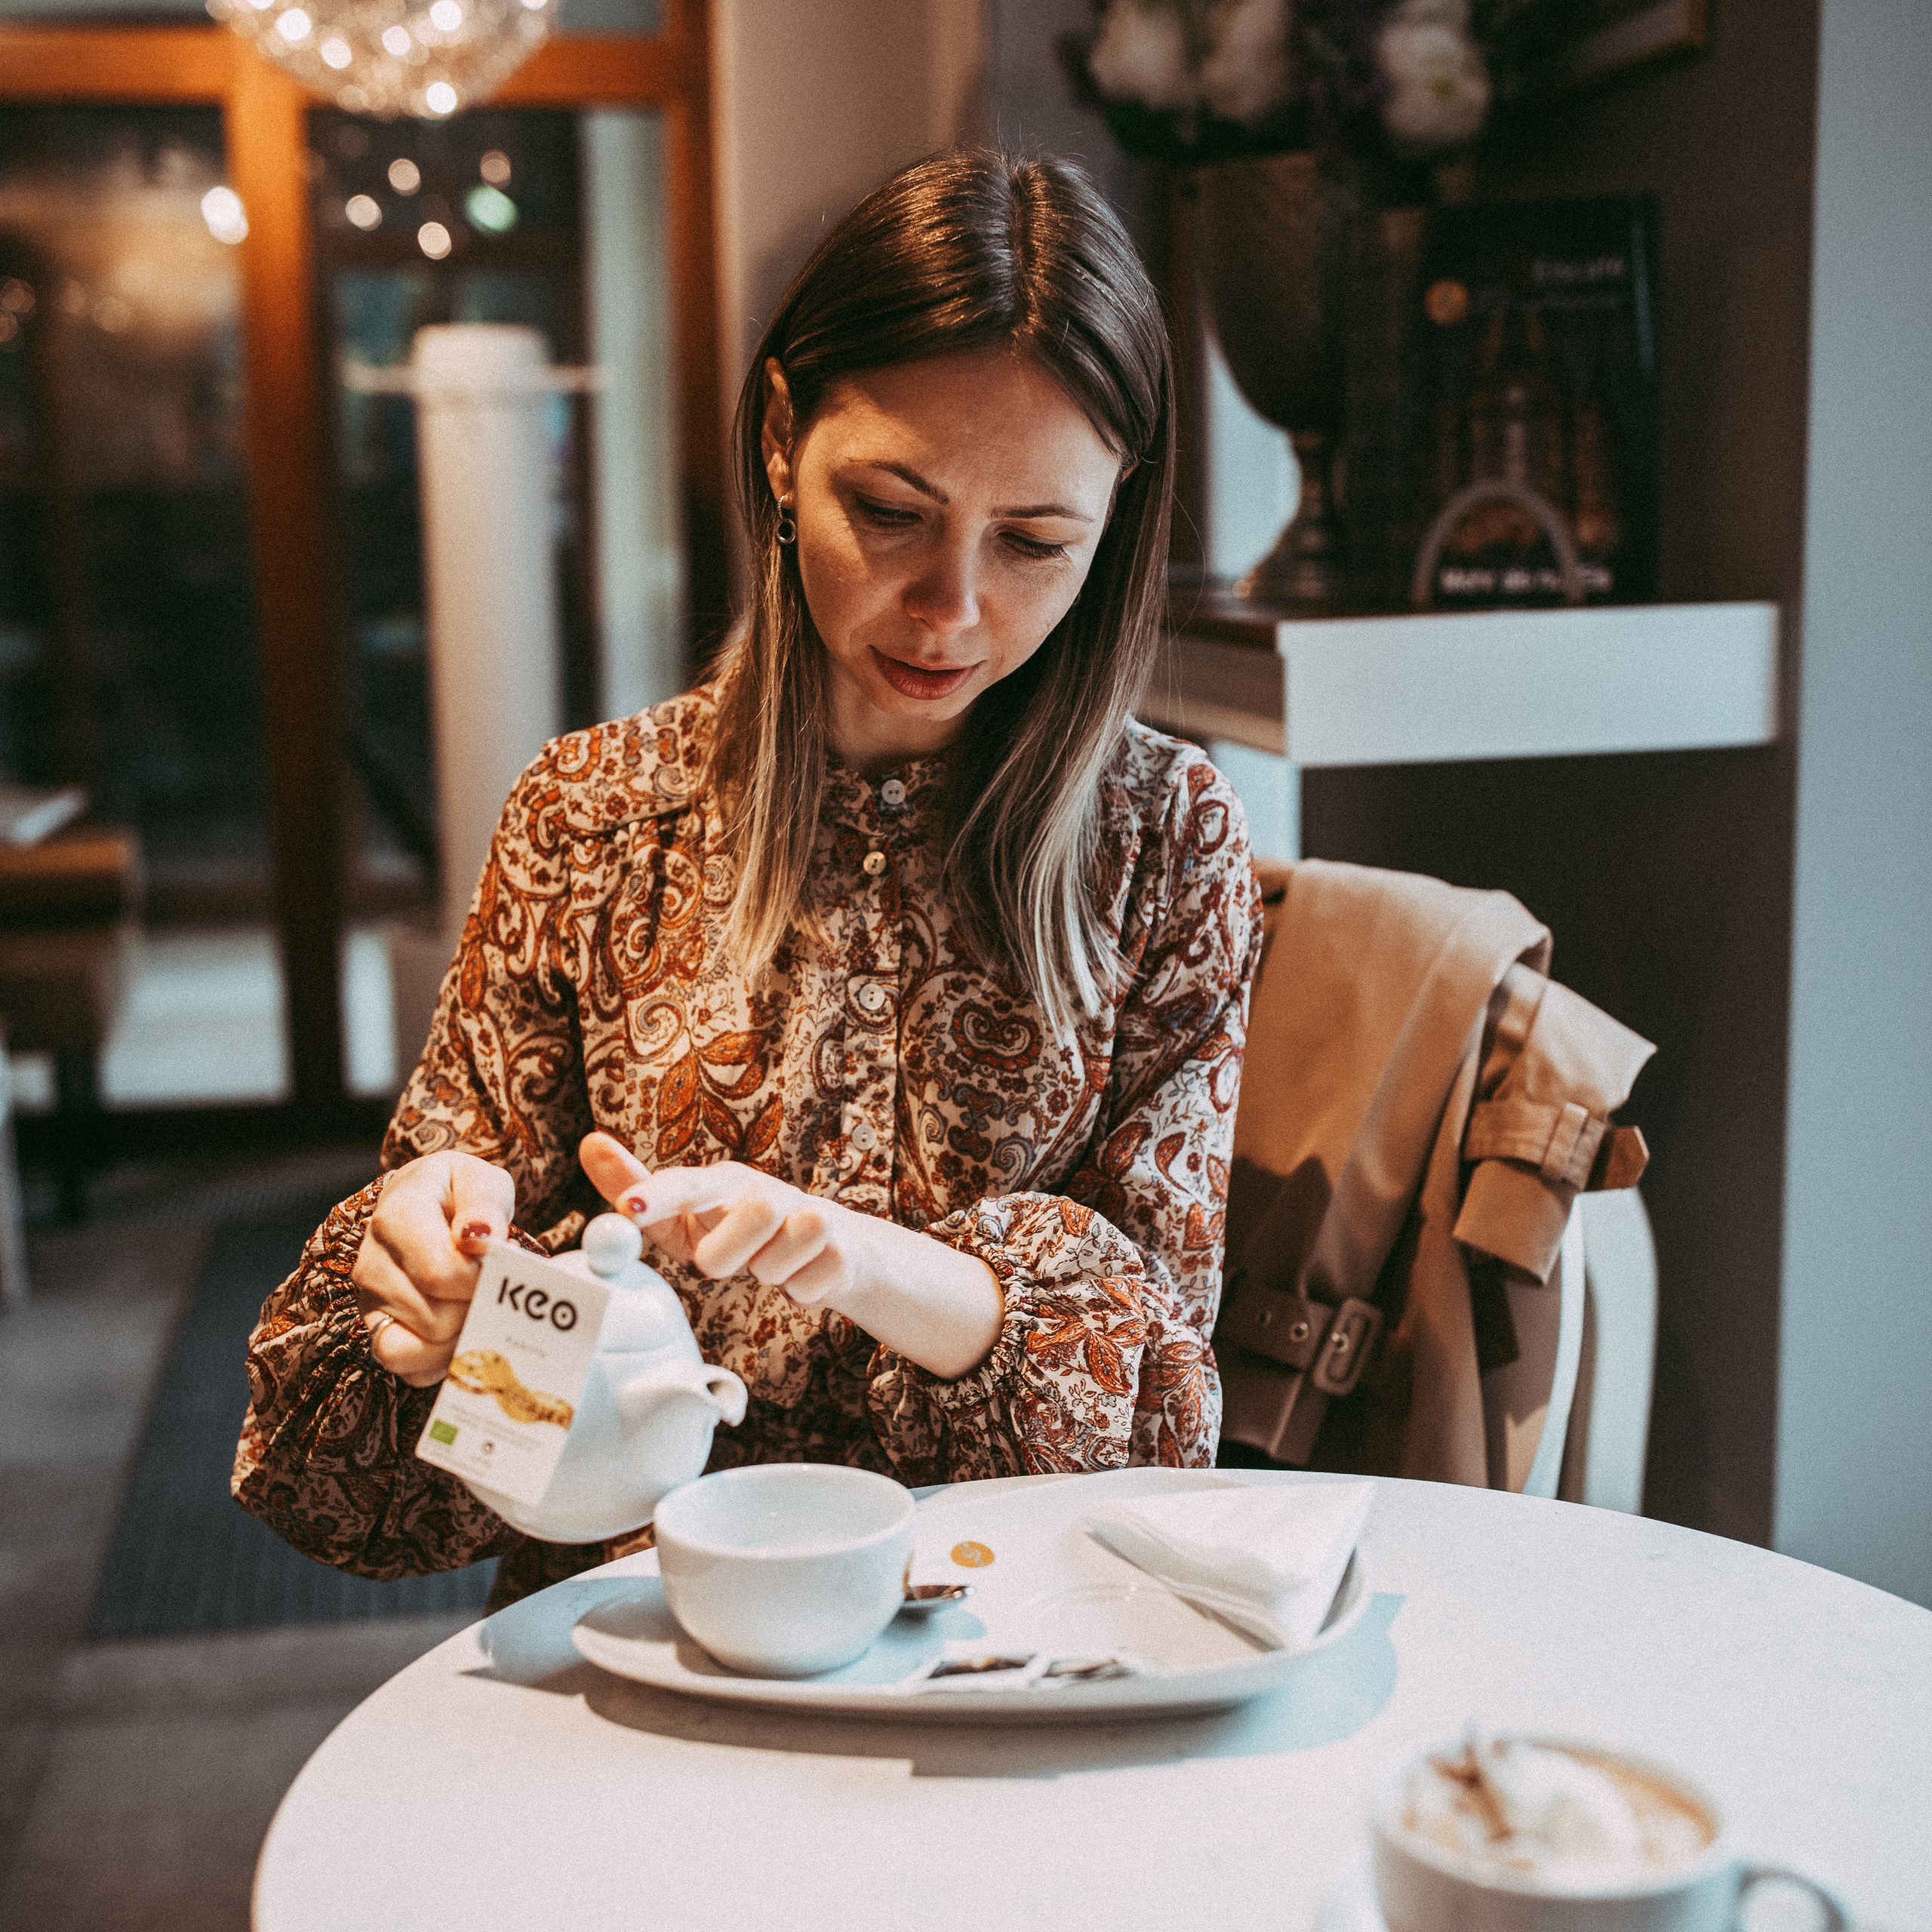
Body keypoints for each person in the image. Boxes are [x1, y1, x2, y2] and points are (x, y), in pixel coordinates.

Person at [234, 150, 1263, 1606]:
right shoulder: (588, 821)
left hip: (1006, 1634)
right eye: (892, 510)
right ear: (783, 438)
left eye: (1036, 541)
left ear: (1117, 518)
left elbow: (1158, 1417)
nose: (954, 608)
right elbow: (422, 1457)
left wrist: (861, 1260)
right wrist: (447, 1291)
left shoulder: (1167, 847)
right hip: (640, 1621)